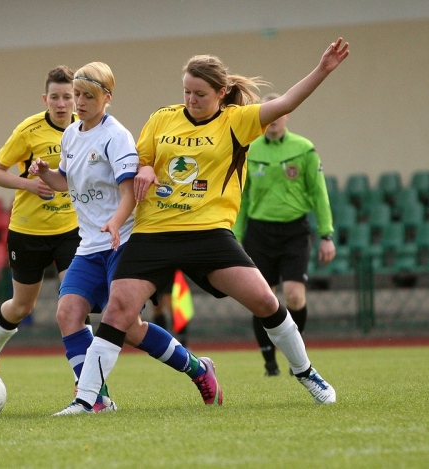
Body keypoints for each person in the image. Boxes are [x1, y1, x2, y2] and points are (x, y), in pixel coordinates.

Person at [55, 38, 350, 415]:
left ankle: (306, 372)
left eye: (199, 94)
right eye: (186, 92)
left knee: (265, 301)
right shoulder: (162, 118)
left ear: (221, 93)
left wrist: (322, 70)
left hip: (209, 233)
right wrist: (146, 169)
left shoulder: (237, 121)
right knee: (118, 312)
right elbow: (141, 160)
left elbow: (287, 102)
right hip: (154, 232)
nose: (190, 100)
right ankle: (87, 400)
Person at [31, 62, 220, 413]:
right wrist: (45, 173)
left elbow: (130, 191)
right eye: (76, 95)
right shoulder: (70, 135)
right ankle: (97, 399)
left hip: (125, 241)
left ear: (107, 97)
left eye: (88, 96)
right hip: (90, 245)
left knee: (130, 328)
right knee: (68, 313)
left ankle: (197, 369)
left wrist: (116, 223)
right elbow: (64, 182)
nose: (80, 103)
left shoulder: (116, 136)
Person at [0, 66, 81, 372]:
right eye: (55, 97)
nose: (61, 104)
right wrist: (30, 185)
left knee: (76, 302)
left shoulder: (86, 128)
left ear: (76, 98)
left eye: (67, 97)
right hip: (28, 231)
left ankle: (87, 380)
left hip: (71, 230)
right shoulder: (29, 130)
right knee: (22, 306)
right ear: (45, 99)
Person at [233, 92, 336, 377]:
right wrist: (235, 234)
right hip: (259, 233)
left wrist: (326, 235)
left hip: (294, 232)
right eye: (269, 114)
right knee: (262, 299)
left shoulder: (303, 149)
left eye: (279, 113)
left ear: (287, 115)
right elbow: (241, 197)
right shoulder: (250, 149)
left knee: (294, 296)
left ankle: (295, 356)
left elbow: (319, 193)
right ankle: (269, 362)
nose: (274, 119)